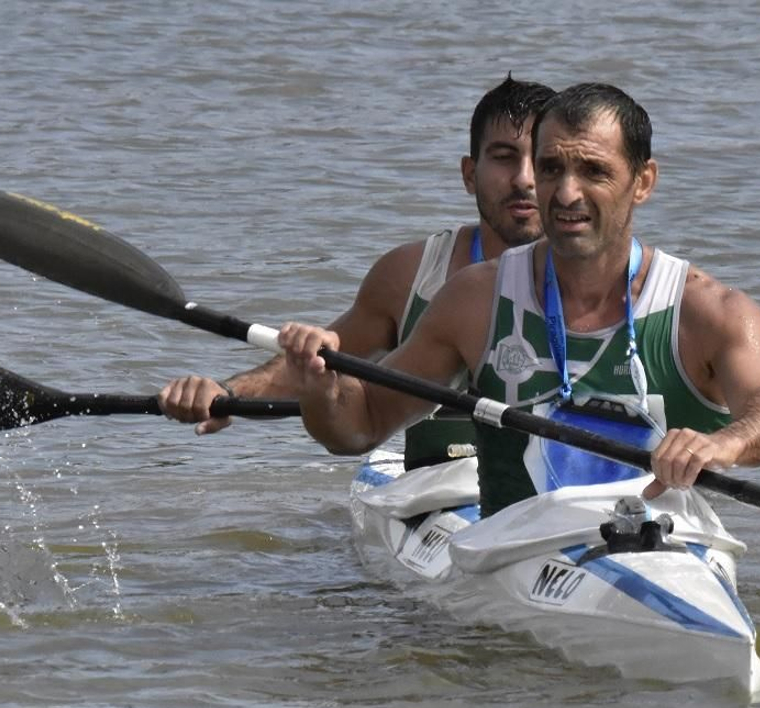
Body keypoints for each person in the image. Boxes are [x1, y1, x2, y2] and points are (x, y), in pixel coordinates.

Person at [275, 83, 760, 514]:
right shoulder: (476, 300)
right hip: (514, 561)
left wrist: (724, 443)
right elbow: (358, 428)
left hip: (668, 556)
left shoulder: (711, 312)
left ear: (643, 182)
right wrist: (320, 388)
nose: (565, 194)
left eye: (593, 171)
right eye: (551, 169)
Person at [158, 75, 555, 469]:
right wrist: (227, 393)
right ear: (469, 174)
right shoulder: (409, 274)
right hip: (436, 493)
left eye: (539, 162)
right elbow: (321, 365)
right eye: (504, 157)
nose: (524, 179)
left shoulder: (607, 283)